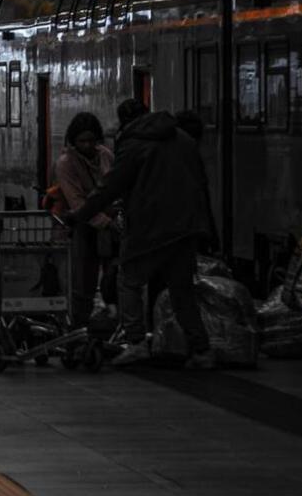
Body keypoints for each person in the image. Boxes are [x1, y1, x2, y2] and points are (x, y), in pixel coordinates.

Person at [71, 99, 216, 369]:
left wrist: (79, 215)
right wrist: (207, 228)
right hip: (186, 227)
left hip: (150, 227)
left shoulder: (133, 143)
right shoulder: (183, 138)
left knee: (129, 280)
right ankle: (202, 350)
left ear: (125, 122)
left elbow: (110, 187)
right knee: (181, 290)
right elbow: (201, 183)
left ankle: (136, 342)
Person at [52, 111, 118, 326]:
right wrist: (108, 222)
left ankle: (106, 321)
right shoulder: (65, 163)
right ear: (73, 141)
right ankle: (79, 324)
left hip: (105, 226)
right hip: (77, 228)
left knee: (111, 277)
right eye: (82, 141)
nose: (88, 146)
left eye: (92, 140)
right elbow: (76, 202)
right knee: (82, 281)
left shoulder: (106, 155)